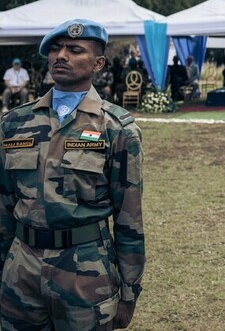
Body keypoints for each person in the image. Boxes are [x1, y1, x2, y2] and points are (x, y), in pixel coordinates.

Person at [0, 19, 144, 329]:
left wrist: (129, 291)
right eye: (55, 49)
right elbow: (3, 205)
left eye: (75, 50)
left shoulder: (116, 128)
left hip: (86, 271)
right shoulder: (14, 123)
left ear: (98, 63)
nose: (61, 56)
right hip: (21, 269)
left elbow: (129, 217)